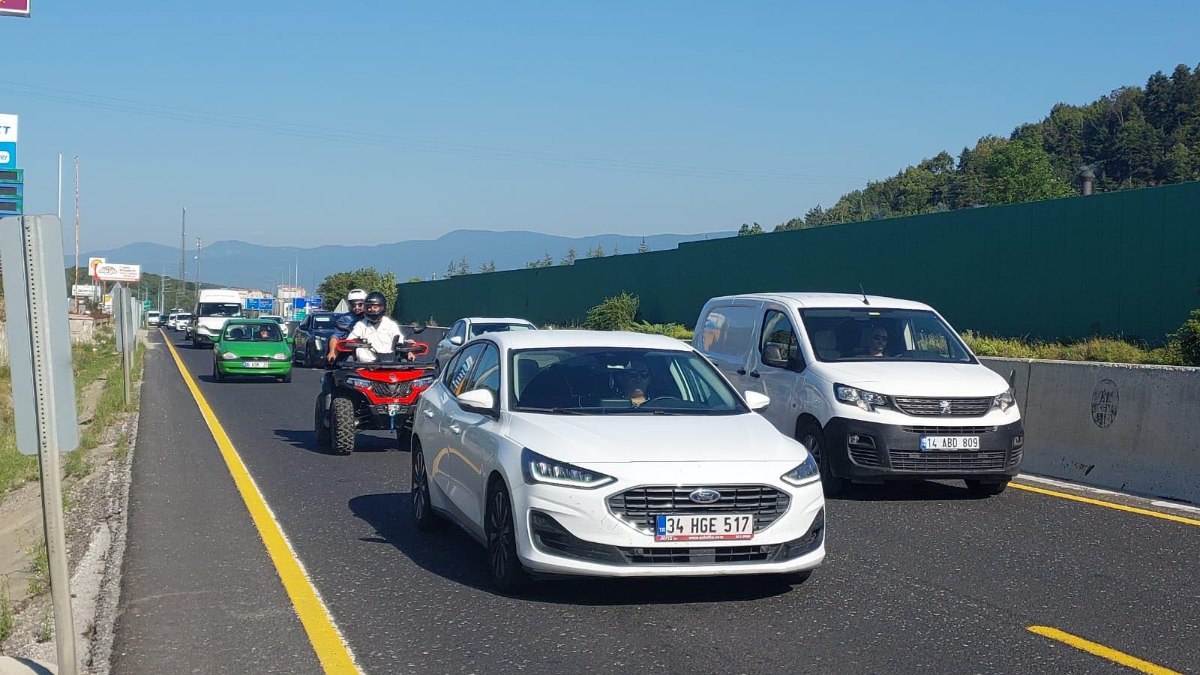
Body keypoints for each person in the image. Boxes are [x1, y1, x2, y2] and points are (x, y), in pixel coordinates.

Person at [344, 291, 414, 363]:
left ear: (382, 307)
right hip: (365, 367)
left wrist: (408, 347)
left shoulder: (390, 324)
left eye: (375, 307)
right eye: (369, 307)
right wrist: (357, 342)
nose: (371, 310)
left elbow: (400, 340)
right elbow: (349, 341)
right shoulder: (360, 325)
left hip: (390, 364)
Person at [326, 288, 369, 363]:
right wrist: (332, 352)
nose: (356, 308)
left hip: (373, 352)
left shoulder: (373, 318)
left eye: (360, 304)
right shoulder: (344, 319)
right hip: (351, 352)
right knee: (348, 361)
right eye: (353, 305)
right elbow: (336, 336)